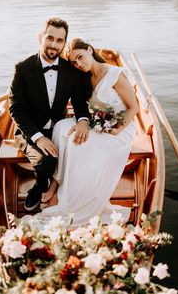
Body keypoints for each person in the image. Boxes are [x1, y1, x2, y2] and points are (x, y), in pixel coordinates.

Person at [38, 38, 138, 225]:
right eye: (74, 62)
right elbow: (82, 107)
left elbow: (133, 108)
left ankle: (68, 197)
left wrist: (117, 128)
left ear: (90, 50)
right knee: (61, 128)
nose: (79, 64)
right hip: (97, 124)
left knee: (78, 144)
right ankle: (55, 183)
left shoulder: (115, 74)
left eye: (80, 57)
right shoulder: (83, 78)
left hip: (118, 130)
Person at [9, 19, 90, 212]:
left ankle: (72, 191)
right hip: (30, 130)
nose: (54, 44)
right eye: (50, 38)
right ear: (40, 38)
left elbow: (79, 104)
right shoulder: (22, 69)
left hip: (59, 126)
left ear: (64, 43)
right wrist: (39, 138)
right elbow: (16, 109)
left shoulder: (72, 70)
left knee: (83, 147)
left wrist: (83, 121)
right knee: (47, 160)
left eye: (60, 40)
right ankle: (39, 186)